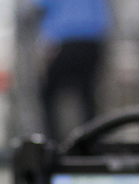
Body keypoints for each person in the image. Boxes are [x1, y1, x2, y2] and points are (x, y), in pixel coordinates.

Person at [36, 0, 112, 141]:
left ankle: (54, 143)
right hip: (93, 42)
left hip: (66, 41)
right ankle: (91, 141)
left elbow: (39, 7)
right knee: (87, 93)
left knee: (47, 93)